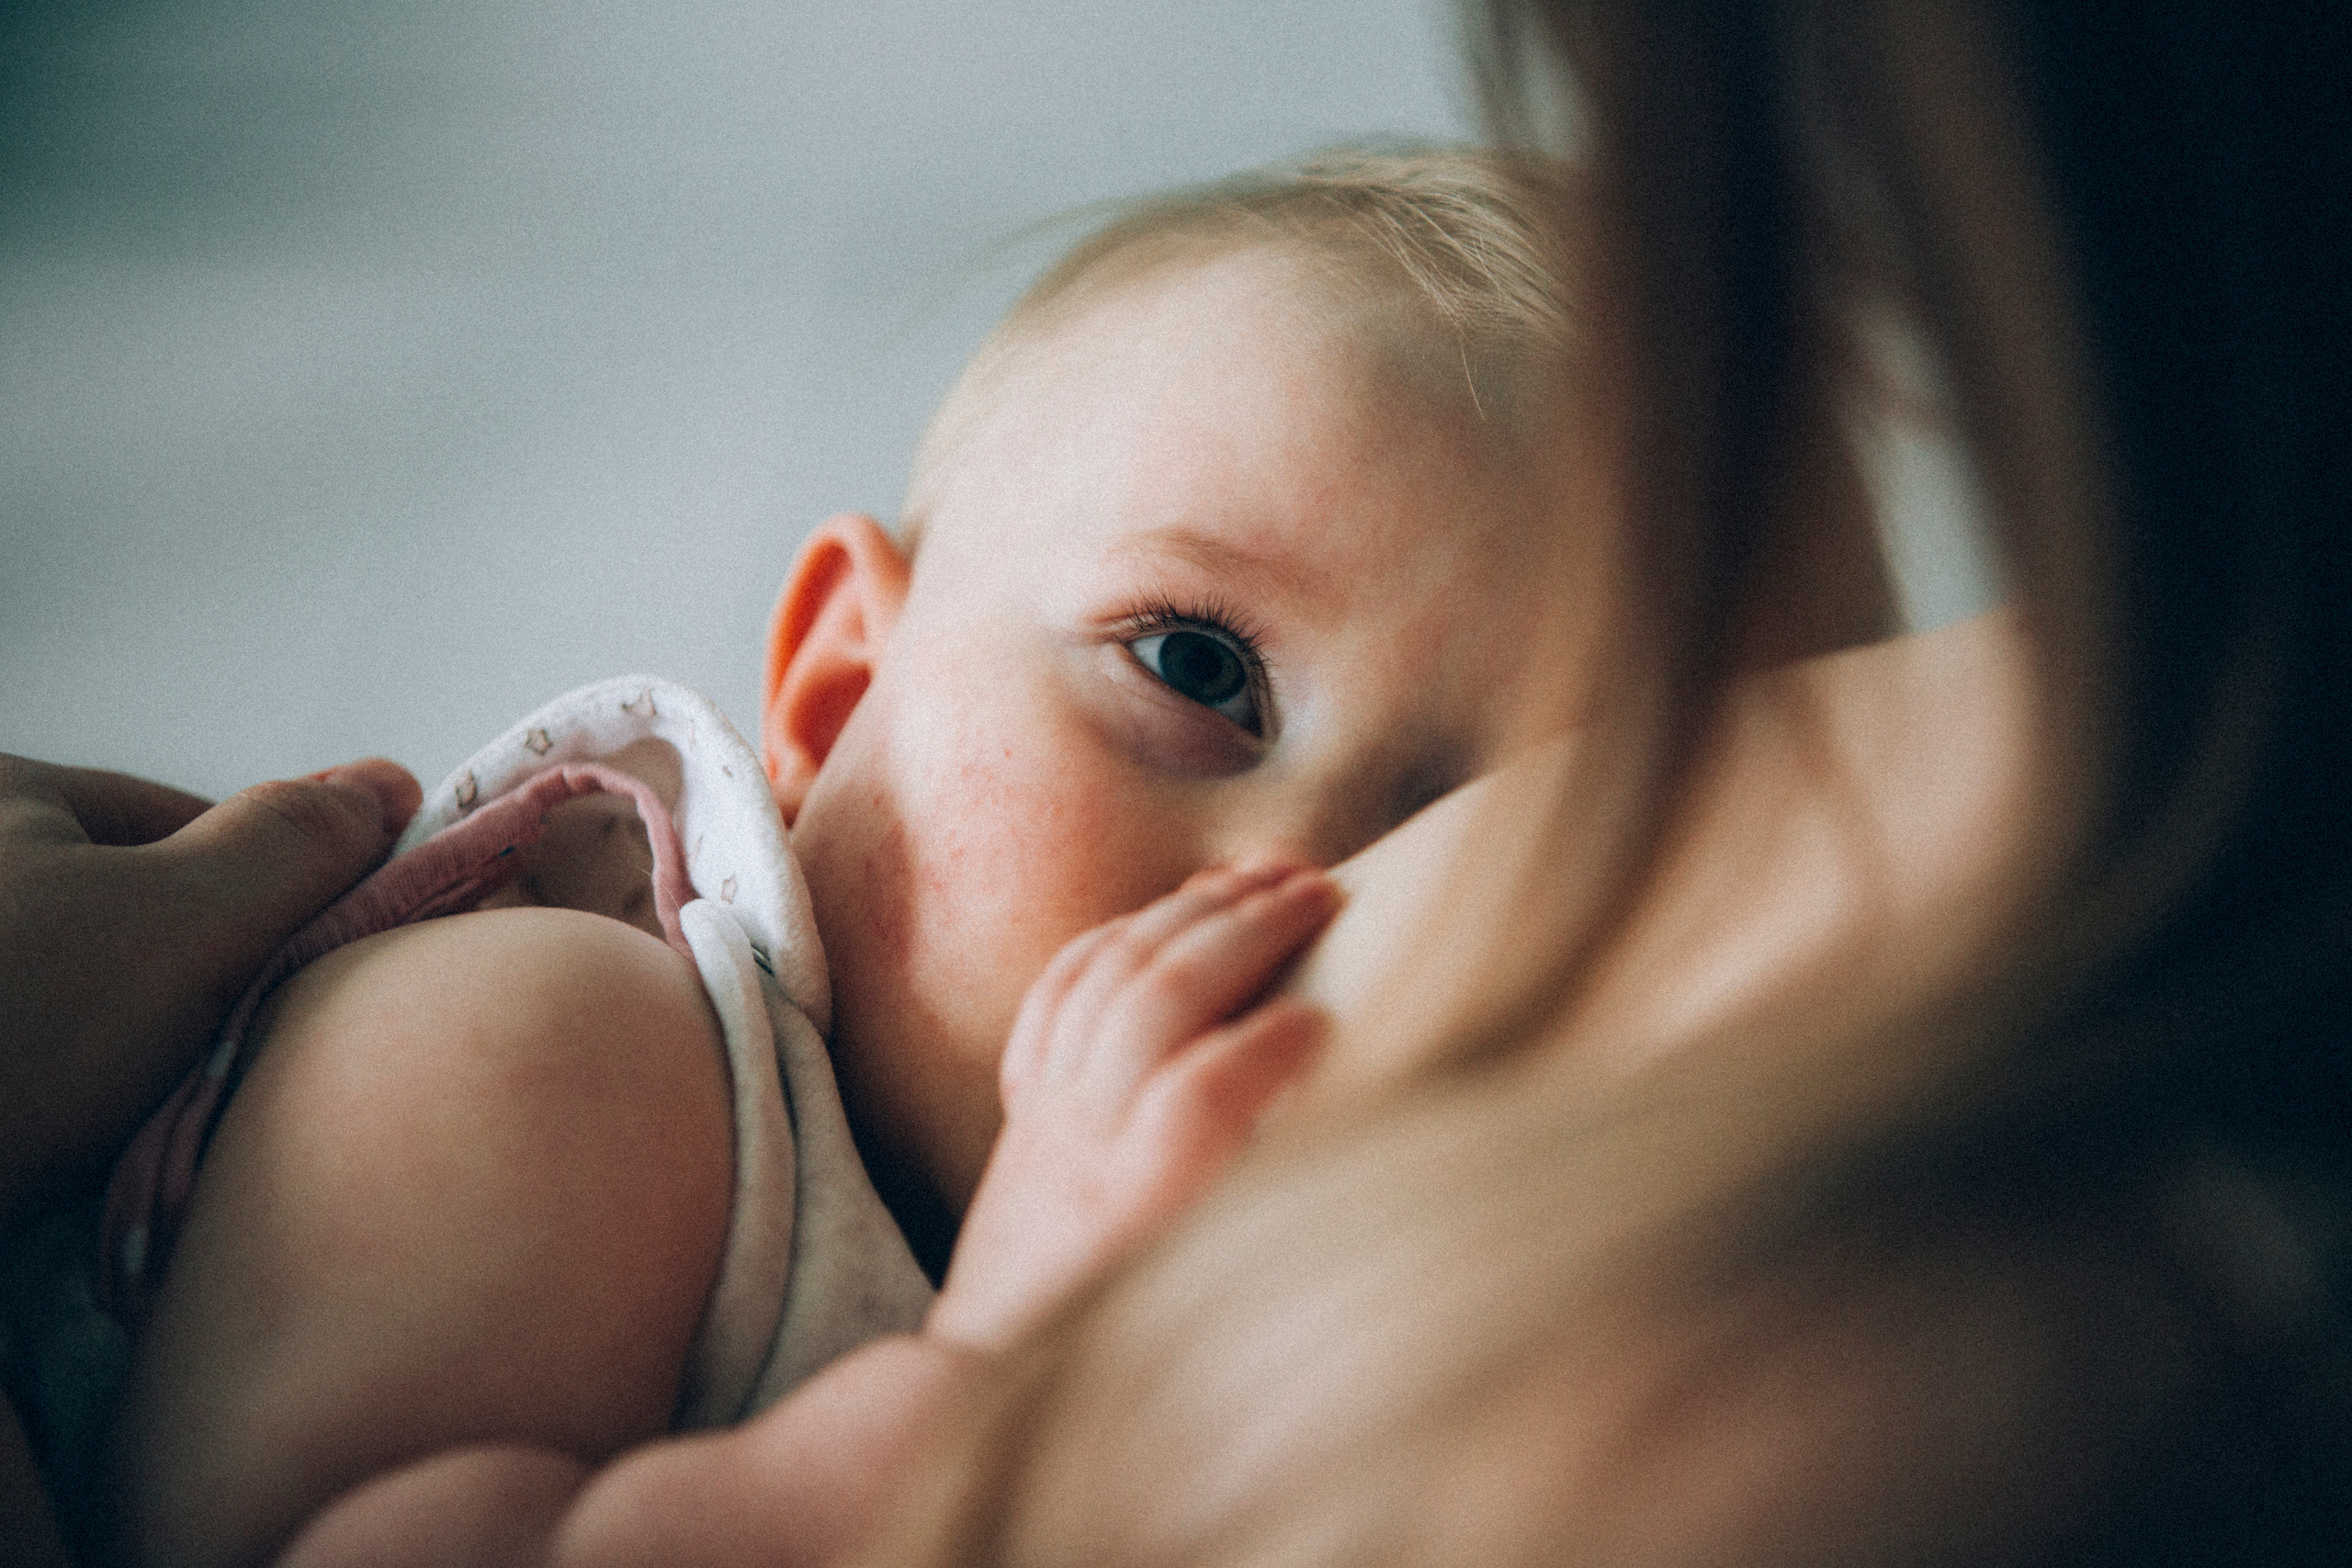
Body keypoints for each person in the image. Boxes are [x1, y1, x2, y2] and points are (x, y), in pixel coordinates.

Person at [19, 148, 1614, 1568]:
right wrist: (996, 1387)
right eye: (1197, 666)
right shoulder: (578, 1032)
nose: (1306, 877)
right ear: (843, 687)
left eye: (1484, 842)